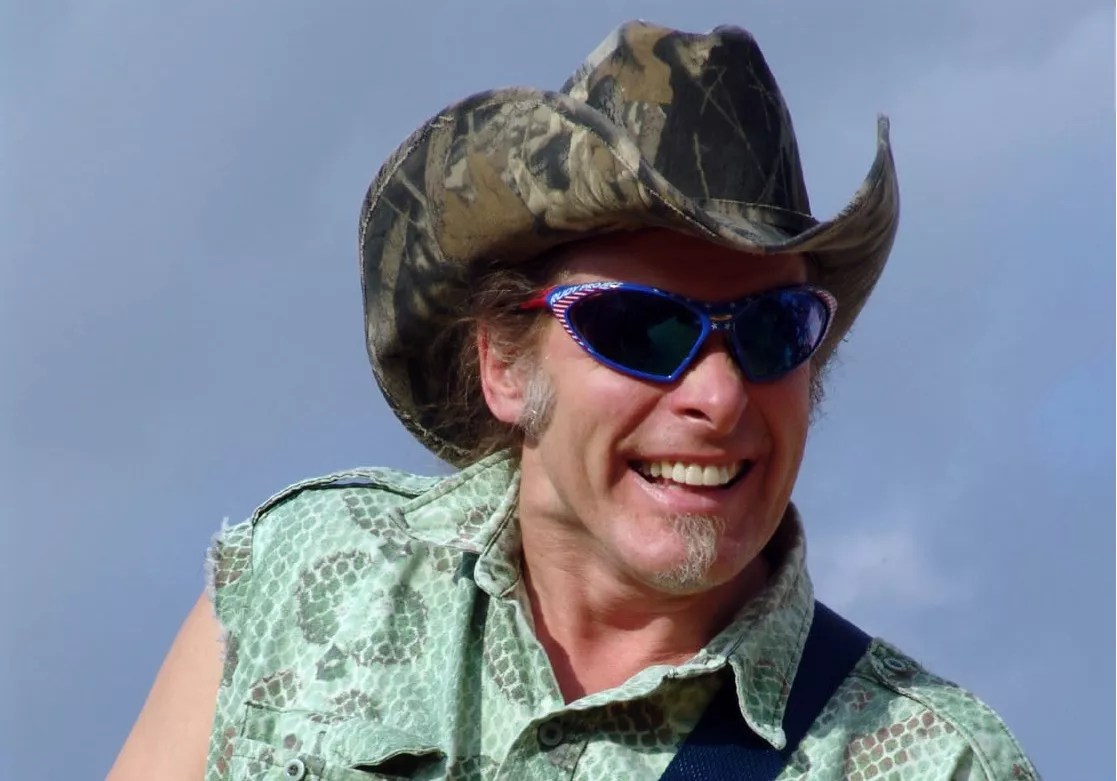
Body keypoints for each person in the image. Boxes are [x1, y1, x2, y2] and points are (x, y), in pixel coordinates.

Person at [109, 20, 1038, 781]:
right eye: (642, 328)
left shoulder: (932, 765)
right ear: (503, 365)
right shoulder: (306, 574)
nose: (718, 396)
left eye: (774, 330)